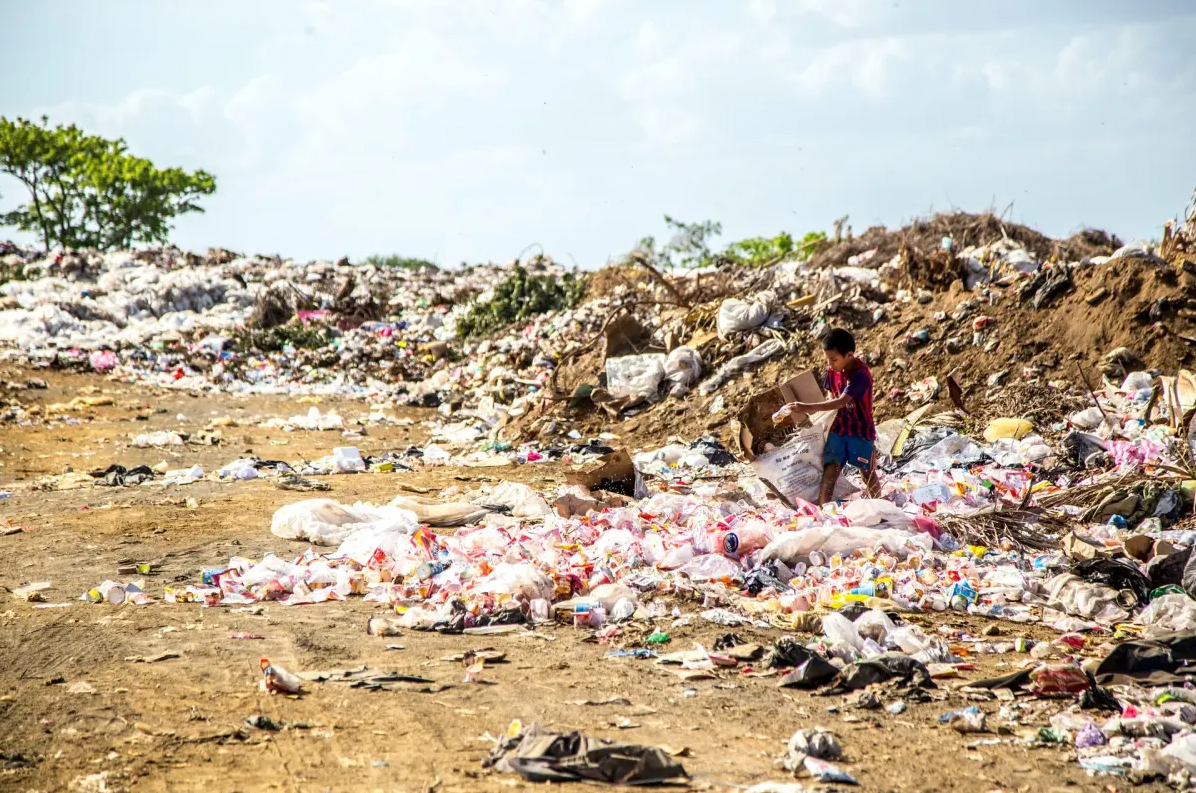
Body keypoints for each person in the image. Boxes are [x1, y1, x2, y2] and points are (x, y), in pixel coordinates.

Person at [778, 328, 880, 503]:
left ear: (849, 355)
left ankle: (880, 504)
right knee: (830, 469)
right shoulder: (833, 371)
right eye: (828, 360)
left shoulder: (861, 375)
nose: (831, 364)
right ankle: (826, 511)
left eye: (834, 359)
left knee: (867, 472)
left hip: (860, 431)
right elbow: (830, 396)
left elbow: (840, 401)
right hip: (839, 428)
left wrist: (805, 407)